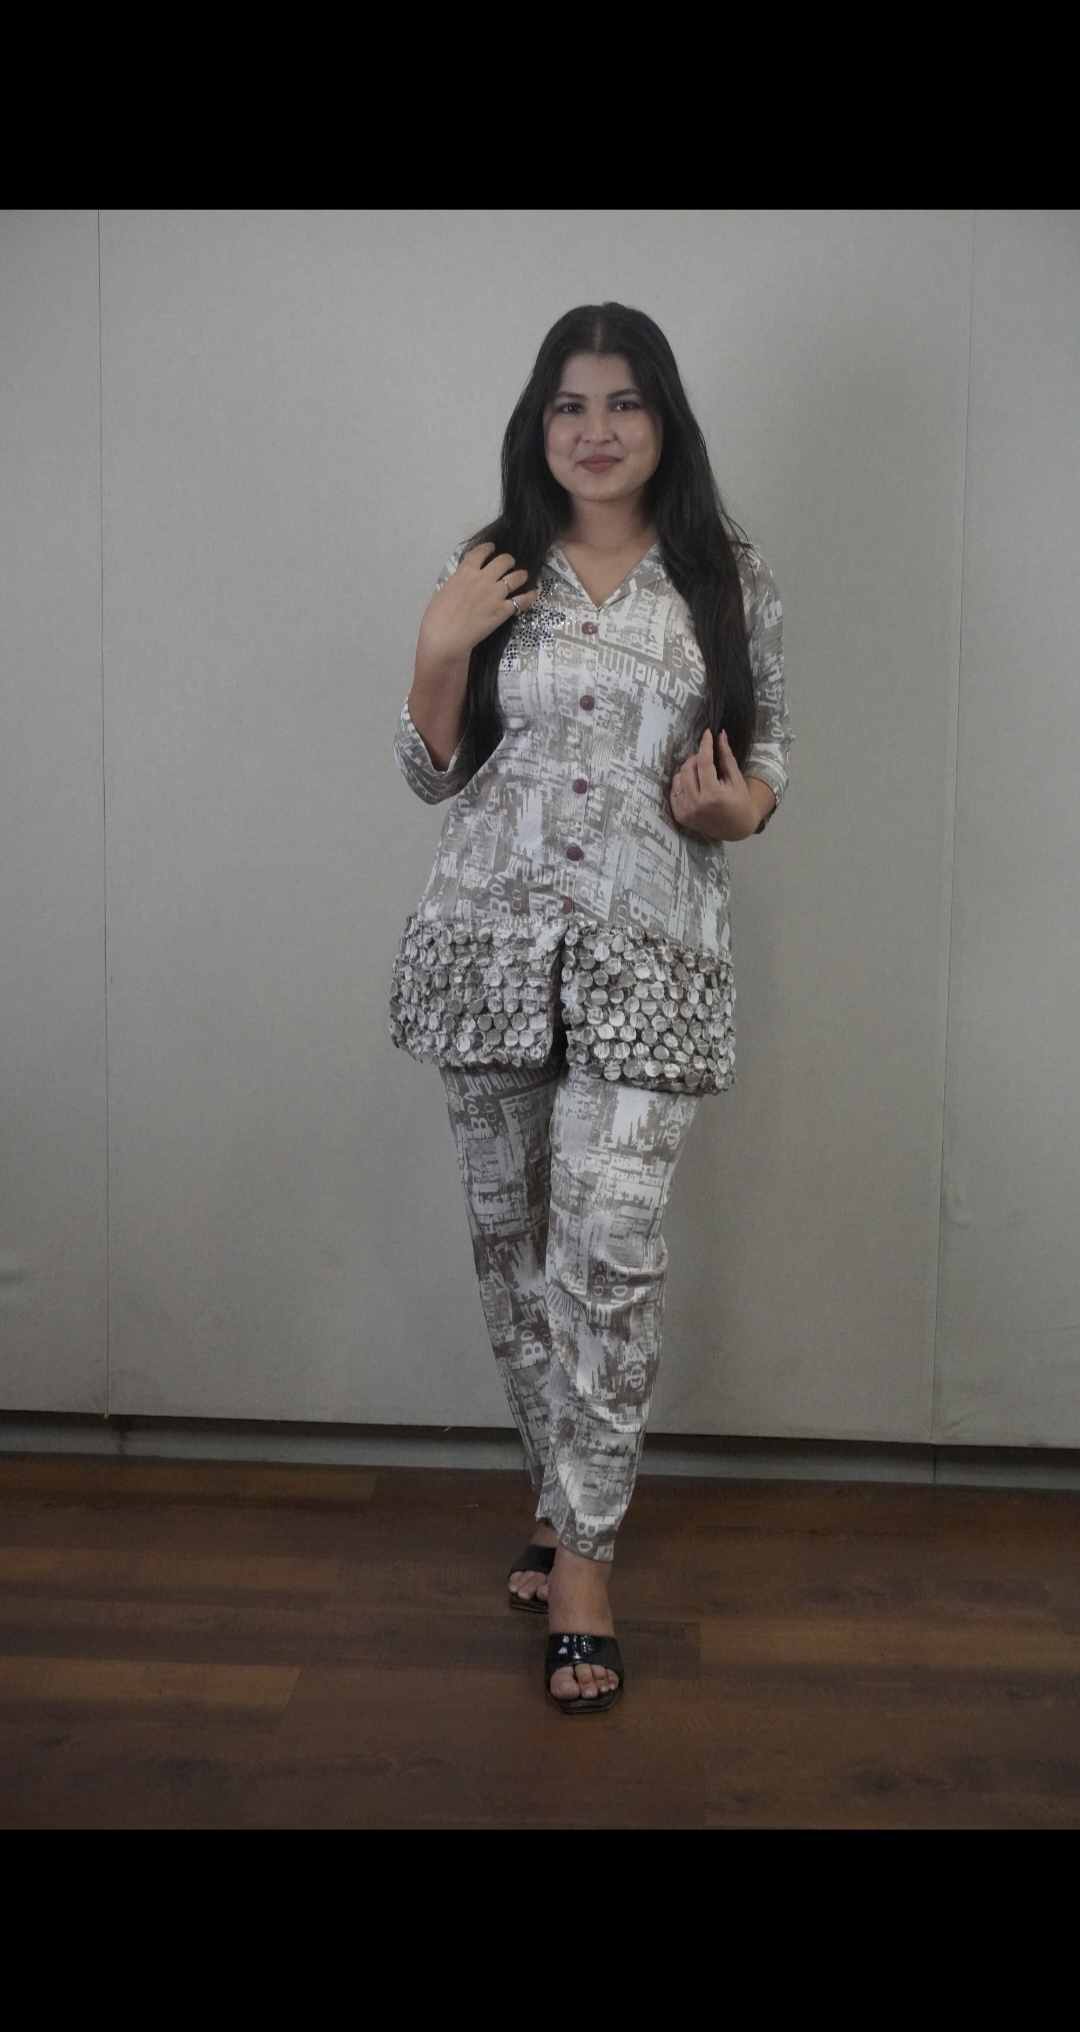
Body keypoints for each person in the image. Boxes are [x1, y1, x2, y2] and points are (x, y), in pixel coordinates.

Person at [390, 303, 790, 1713]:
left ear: (663, 420)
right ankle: (558, 1504)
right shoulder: (490, 568)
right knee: (515, 1255)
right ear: (540, 423)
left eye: (624, 402)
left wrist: (733, 810)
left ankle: (587, 1566)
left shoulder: (724, 578)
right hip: (489, 954)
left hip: (648, 964)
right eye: (571, 404)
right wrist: (440, 645)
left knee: (606, 1255)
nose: (598, 429)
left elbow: (769, 769)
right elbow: (432, 770)